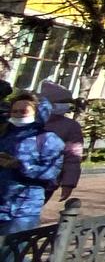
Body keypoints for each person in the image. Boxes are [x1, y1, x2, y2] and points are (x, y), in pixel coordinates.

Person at [2, 93, 65, 248]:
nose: (17, 115)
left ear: (38, 114)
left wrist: (21, 165)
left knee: (12, 253)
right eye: (14, 111)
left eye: (23, 112)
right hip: (2, 202)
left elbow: (51, 172)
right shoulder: (4, 135)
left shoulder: (49, 139)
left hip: (24, 208)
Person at [36, 82, 83, 202]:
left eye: (66, 103)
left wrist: (68, 182)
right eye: (61, 102)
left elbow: (73, 156)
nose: (65, 106)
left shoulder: (71, 126)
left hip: (46, 181)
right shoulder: (26, 118)